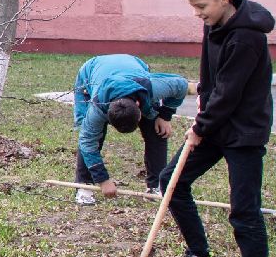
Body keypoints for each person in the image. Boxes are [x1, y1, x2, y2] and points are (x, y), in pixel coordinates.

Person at [158, 0, 276, 257]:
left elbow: (229, 91)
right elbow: (210, 79)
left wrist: (201, 127)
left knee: (244, 210)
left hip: (244, 132)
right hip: (217, 124)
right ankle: (201, 254)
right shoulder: (214, 24)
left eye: (202, 6)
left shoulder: (247, 37)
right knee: (172, 180)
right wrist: (203, 107)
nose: (198, 14)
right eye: (194, 8)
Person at [71, 54, 189, 205]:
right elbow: (87, 143)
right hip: (90, 73)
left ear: (139, 109)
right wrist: (103, 180)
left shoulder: (153, 87)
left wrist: (165, 116)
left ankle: (156, 186)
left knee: (156, 129)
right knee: (90, 134)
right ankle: (84, 186)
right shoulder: (97, 108)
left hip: (134, 68)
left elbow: (182, 85)